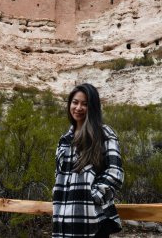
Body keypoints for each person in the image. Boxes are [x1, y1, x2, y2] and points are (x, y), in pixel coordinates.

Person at [52, 83, 124, 238]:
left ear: (93, 107)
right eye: (75, 102)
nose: (78, 108)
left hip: (93, 221)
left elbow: (115, 173)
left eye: (85, 104)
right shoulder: (64, 140)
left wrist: (92, 197)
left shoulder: (104, 134)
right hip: (63, 220)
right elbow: (58, 175)